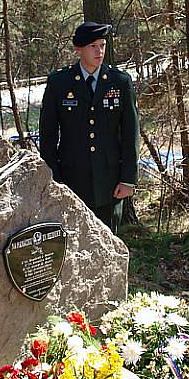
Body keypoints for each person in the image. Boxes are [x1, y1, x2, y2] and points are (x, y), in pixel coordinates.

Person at [39, 21, 140, 233]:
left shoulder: (119, 82)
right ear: (79, 49)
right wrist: (54, 180)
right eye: (93, 46)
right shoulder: (60, 83)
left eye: (102, 45)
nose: (100, 51)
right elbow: (47, 136)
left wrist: (128, 178)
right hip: (71, 180)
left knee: (109, 243)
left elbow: (131, 133)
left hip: (110, 183)